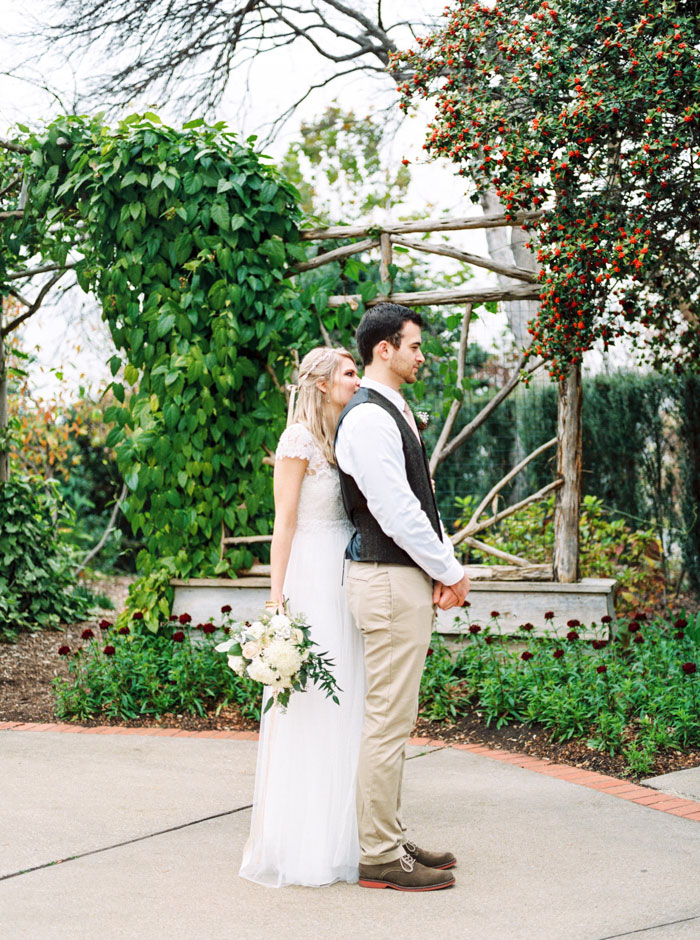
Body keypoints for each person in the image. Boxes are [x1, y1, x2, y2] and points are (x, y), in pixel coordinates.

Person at [335, 302, 471, 892]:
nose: (422, 354)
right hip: (386, 582)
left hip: (400, 580)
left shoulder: (391, 409)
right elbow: (396, 511)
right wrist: (450, 568)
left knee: (396, 718)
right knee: (387, 723)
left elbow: (422, 500)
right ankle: (379, 855)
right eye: (414, 345)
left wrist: (438, 569)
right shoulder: (368, 419)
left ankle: (388, 832)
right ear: (382, 349)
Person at [239, 346, 365, 888]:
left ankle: (348, 834)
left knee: (349, 700)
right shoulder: (296, 442)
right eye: (349, 373)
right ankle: (305, 841)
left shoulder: (344, 437)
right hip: (311, 575)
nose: (357, 380)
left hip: (346, 571)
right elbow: (283, 523)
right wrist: (276, 601)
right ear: (320, 383)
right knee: (314, 703)